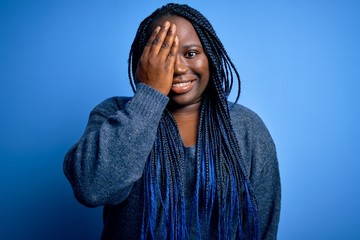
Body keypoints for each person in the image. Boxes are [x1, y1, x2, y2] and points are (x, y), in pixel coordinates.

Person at [63, 3, 281, 240]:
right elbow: (92, 189)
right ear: (143, 61)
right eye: (163, 56)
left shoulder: (245, 127)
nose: (177, 68)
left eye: (191, 54)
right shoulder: (113, 113)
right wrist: (150, 94)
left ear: (210, 56)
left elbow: (261, 228)